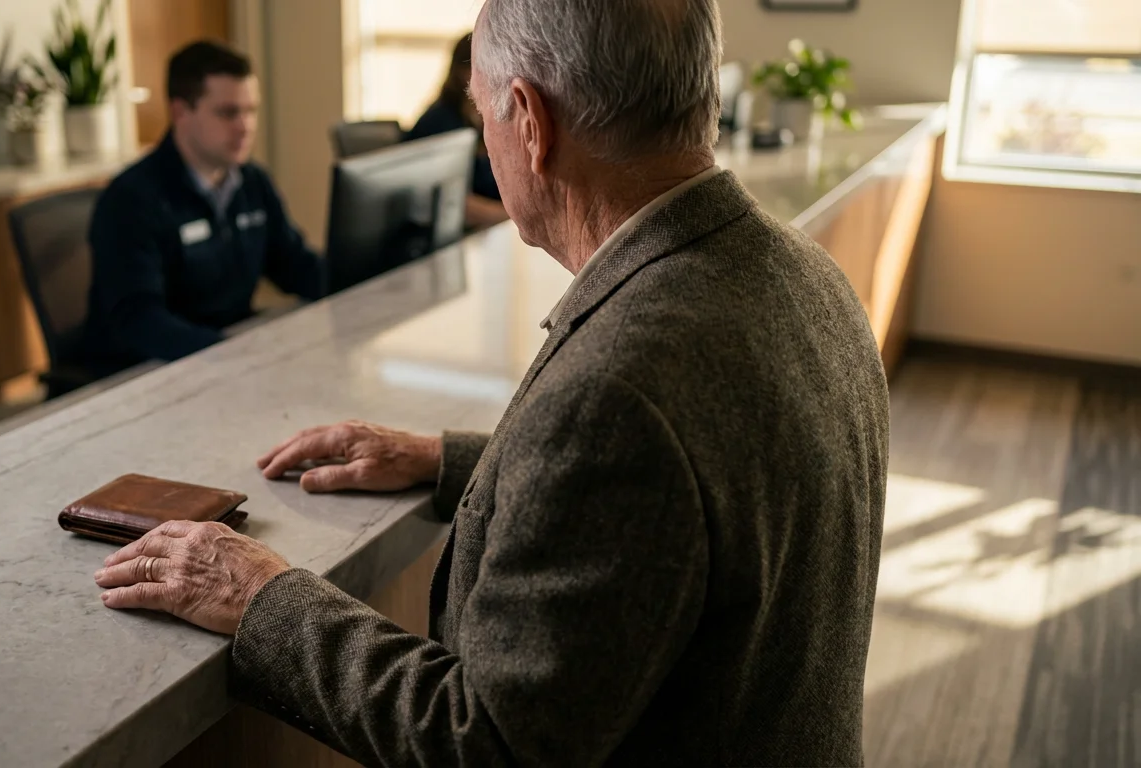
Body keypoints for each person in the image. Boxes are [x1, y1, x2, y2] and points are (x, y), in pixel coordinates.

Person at [93, 1, 889, 765]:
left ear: (531, 124)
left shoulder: (616, 399)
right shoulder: (809, 278)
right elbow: (681, 492)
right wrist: (449, 458)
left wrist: (262, 596)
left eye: (483, 118)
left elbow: (484, 744)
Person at [81, 42, 324, 376]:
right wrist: (227, 354)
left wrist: (364, 278)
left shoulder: (252, 182)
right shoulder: (132, 199)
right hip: (145, 375)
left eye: (251, 110)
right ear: (180, 112)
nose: (245, 126)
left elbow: (295, 265)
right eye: (228, 113)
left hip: (219, 363)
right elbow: (138, 319)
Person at [405, 32, 509, 229]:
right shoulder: (441, 122)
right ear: (464, 72)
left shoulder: (480, 119)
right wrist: (513, 219)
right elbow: (455, 202)